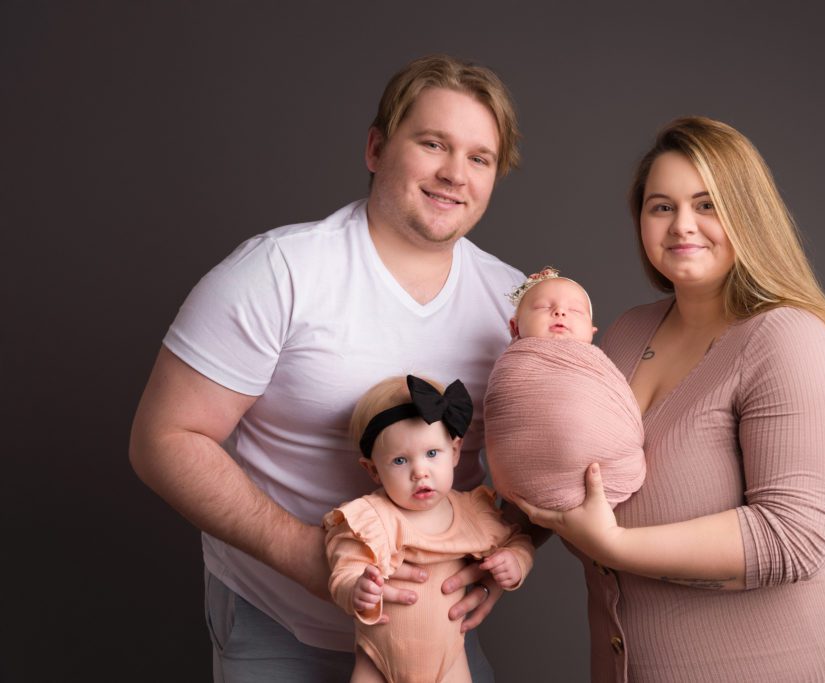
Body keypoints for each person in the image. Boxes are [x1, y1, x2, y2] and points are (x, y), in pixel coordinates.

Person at [128, 54, 526, 682]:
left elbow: (563, 458)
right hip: (276, 621)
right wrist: (316, 563)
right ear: (375, 147)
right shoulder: (278, 272)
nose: (455, 174)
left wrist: (514, 551)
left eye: (479, 158)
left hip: (436, 631)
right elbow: (163, 440)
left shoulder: (515, 306)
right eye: (432, 144)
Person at [512, 117, 825, 682]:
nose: (681, 225)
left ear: (748, 214)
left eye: (707, 204)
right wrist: (507, 539)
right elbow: (570, 471)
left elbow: (794, 538)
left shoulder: (791, 340)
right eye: (661, 206)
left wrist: (614, 546)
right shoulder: (623, 334)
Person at [325, 375, 534, 683]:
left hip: (448, 662)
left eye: (432, 454)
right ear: (373, 470)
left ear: (455, 451)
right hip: (377, 662)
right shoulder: (372, 518)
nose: (419, 471)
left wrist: (515, 561)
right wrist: (357, 588)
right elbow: (343, 572)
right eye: (399, 460)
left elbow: (519, 541)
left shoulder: (472, 513)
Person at [484, 268, 646, 511]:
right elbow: (501, 411)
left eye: (575, 311)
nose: (559, 312)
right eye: (541, 307)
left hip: (610, 474)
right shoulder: (513, 364)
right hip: (525, 478)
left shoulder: (596, 363)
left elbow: (621, 402)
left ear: (591, 333)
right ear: (515, 328)